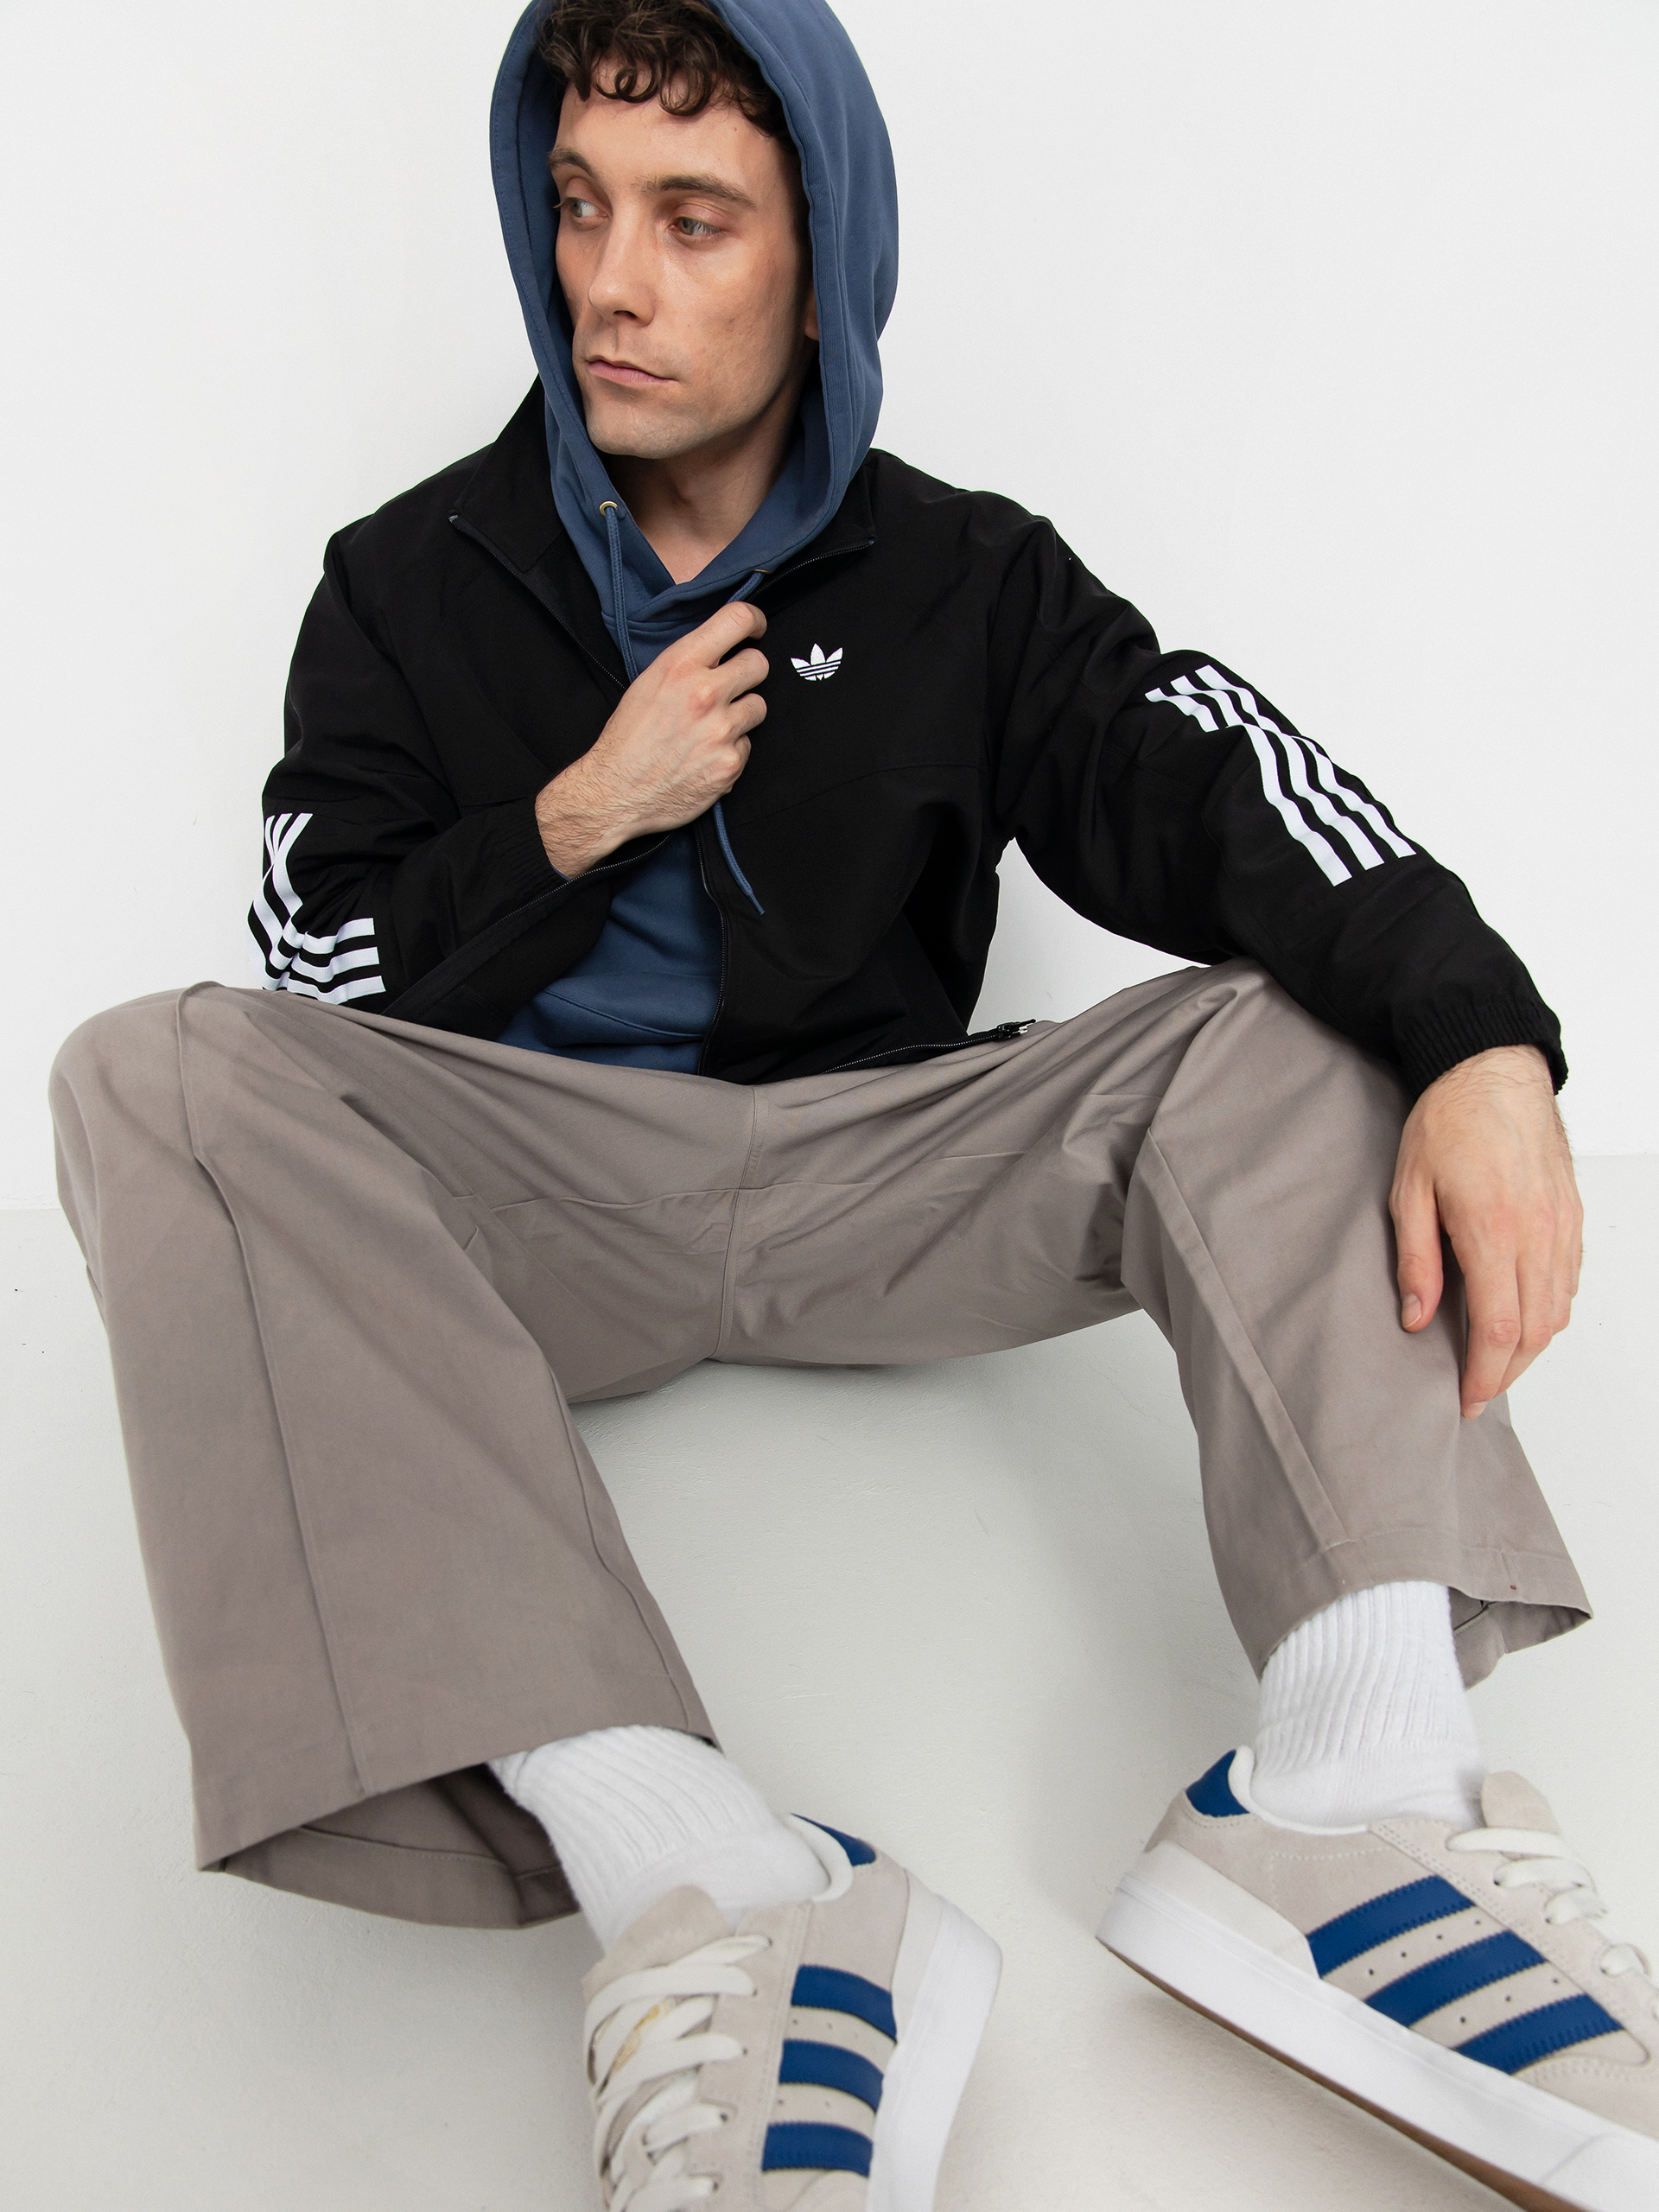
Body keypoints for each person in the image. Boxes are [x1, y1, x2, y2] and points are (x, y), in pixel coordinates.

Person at [47, 2, 1656, 2207]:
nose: (610, 282)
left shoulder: (960, 577)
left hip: (892, 1168)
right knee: (148, 1066)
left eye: (692, 221)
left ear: (823, 265)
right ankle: (708, 1879)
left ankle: (1360, 1790)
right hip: (529, 1205)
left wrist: (1485, 1035)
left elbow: (1220, 773)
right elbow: (312, 963)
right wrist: (581, 812)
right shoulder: (410, 580)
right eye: (579, 207)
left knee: (1288, 1020)